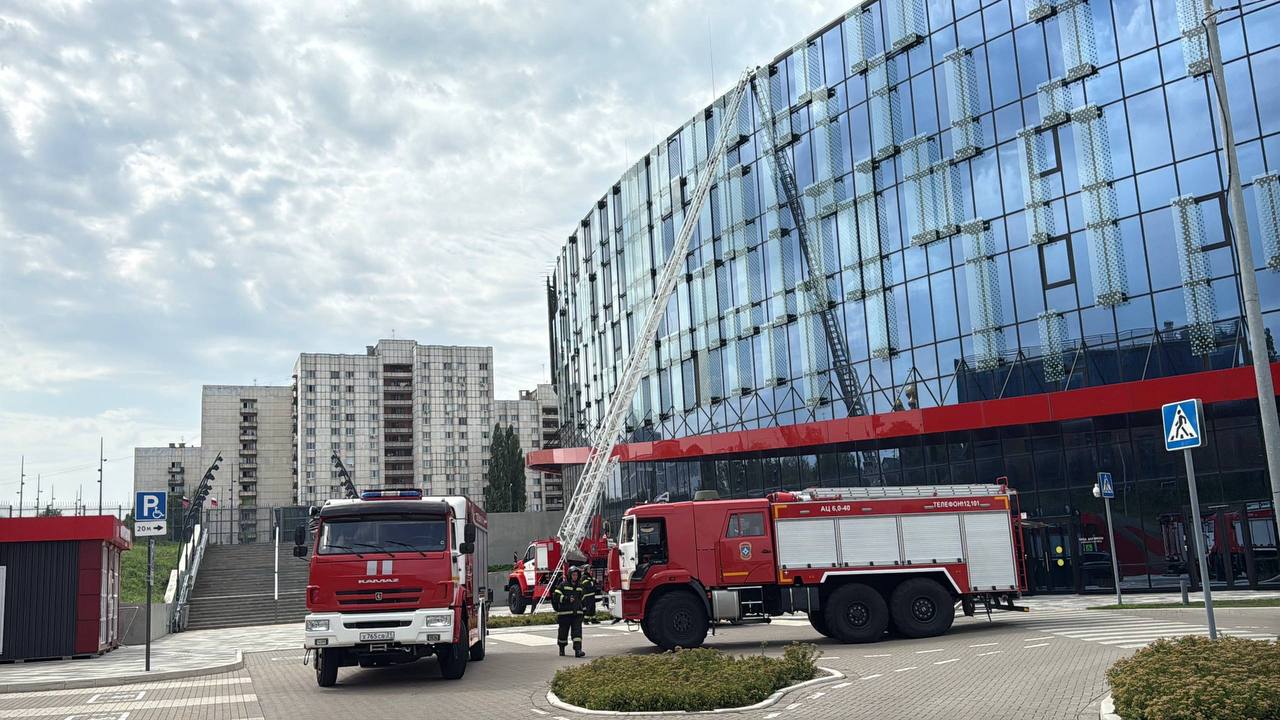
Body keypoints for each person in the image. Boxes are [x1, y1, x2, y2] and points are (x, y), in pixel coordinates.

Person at [552, 566, 587, 657]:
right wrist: (566, 599)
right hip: (565, 614)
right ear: (569, 575)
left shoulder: (580, 586)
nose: (575, 576)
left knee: (577, 632)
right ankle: (562, 649)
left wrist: (584, 610)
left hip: (577, 614)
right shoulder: (563, 585)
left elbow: (583, 599)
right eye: (573, 575)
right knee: (563, 632)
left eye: (576, 575)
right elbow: (555, 596)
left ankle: (578, 650)